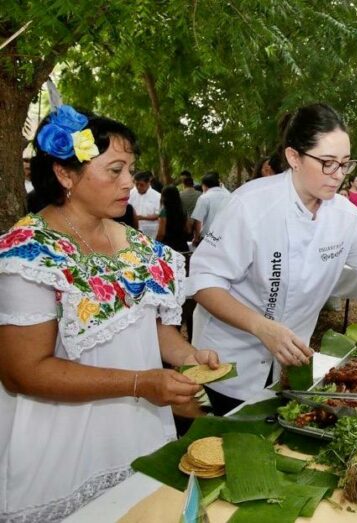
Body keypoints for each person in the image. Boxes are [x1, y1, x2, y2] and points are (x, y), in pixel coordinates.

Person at [0, 105, 220, 521]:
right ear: (66, 174)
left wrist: (191, 359)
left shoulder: (138, 249)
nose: (129, 183)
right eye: (114, 170)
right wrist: (139, 382)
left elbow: (148, 329)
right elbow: (22, 371)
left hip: (135, 434)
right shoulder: (30, 254)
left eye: (131, 169)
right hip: (61, 447)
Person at [187, 103, 357, 415]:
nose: (338, 176)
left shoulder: (344, 215)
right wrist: (260, 326)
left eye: (345, 164)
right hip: (230, 359)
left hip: (289, 364)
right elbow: (204, 282)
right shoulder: (250, 205)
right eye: (327, 163)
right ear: (294, 157)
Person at [190, 171, 231, 247]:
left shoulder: (204, 198)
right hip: (226, 237)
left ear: (205, 186)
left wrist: (196, 237)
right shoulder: (229, 195)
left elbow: (198, 220)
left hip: (209, 239)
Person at [157, 185, 192, 253]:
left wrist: (155, 244)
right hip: (182, 245)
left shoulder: (164, 211)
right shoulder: (183, 210)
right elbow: (188, 230)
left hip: (168, 247)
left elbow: (161, 233)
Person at [128, 170, 161, 238]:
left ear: (148, 183)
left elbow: (159, 215)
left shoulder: (157, 196)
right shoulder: (130, 194)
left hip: (151, 233)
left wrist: (142, 217)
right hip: (133, 231)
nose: (139, 187)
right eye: (137, 184)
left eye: (141, 185)